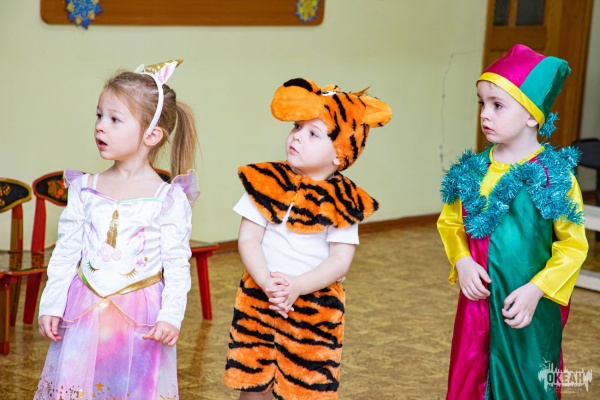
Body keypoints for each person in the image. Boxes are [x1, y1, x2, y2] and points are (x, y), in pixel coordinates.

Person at [35, 59, 199, 400]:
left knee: (130, 388)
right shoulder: (85, 188)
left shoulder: (168, 199)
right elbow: (65, 252)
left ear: (152, 135)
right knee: (78, 387)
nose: (100, 127)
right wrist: (51, 304)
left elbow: (177, 265)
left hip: (141, 321)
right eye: (99, 116)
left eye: (114, 119)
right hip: (84, 312)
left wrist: (171, 317)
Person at [222, 78, 392, 399]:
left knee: (305, 387)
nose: (297, 136)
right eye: (297, 127)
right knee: (252, 381)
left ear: (339, 153)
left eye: (313, 133)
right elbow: (248, 239)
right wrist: (266, 282)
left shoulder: (344, 201)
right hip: (260, 298)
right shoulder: (266, 182)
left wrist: (298, 286)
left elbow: (340, 261)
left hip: (313, 308)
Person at [437, 44, 589, 399]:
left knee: (527, 379)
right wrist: (462, 260)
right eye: (482, 104)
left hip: (527, 304)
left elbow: (572, 246)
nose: (485, 114)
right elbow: (451, 223)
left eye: (498, 105)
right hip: (477, 304)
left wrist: (537, 289)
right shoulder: (472, 171)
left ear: (532, 115)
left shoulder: (554, 177)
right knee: (471, 373)